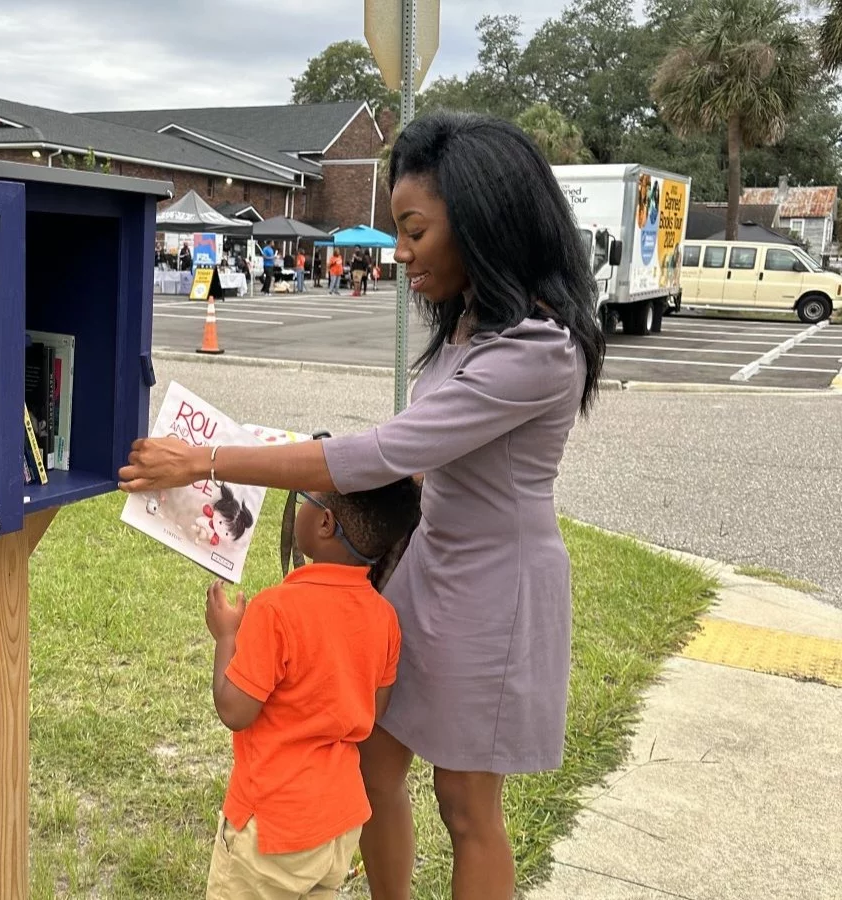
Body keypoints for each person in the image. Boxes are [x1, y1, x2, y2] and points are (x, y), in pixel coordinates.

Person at [119, 111, 606, 900]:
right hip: (424, 567)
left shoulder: (538, 351)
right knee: (373, 761)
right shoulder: (471, 327)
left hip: (495, 591)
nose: (403, 252)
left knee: (466, 801)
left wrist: (206, 459)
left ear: (484, 223)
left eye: (414, 231)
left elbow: (383, 454)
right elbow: (405, 465)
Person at [203, 479, 420, 899]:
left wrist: (226, 637)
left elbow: (234, 710)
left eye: (304, 499)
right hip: (339, 827)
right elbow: (374, 710)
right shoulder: (384, 618)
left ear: (324, 523)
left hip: (271, 830)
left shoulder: (275, 609)